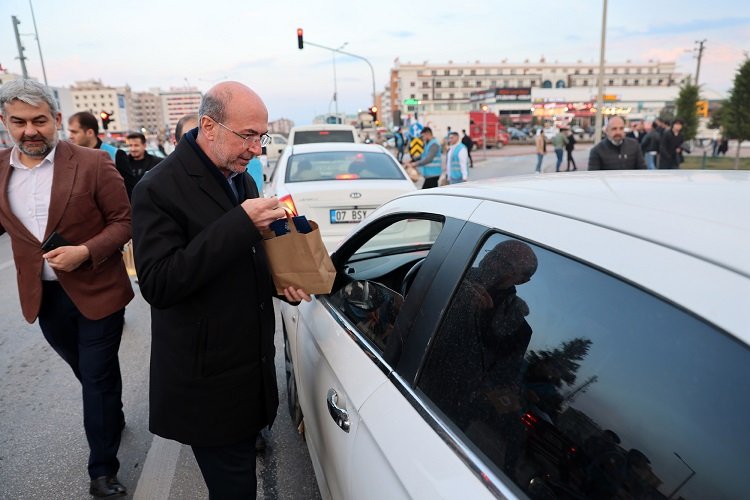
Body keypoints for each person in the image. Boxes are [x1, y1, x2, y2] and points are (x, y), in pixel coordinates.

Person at [130, 81, 311, 499]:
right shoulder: (158, 188)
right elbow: (159, 282)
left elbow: (244, 259)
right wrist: (240, 223)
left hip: (249, 372)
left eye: (261, 136)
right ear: (209, 127)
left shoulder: (240, 179)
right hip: (208, 383)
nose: (257, 148)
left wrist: (280, 282)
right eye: (247, 135)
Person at [0, 79, 133, 497]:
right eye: (18, 122)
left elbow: (125, 222)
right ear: (5, 123)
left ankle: (102, 471)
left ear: (56, 119)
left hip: (98, 290)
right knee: (89, 374)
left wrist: (86, 251)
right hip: (45, 297)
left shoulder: (93, 163)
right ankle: (111, 410)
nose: (29, 131)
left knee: (96, 378)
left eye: (39, 120)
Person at [68, 111, 137, 199]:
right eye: (70, 132)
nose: (70, 136)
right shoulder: (71, 158)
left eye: (74, 132)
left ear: (90, 132)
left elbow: (130, 190)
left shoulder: (116, 155)